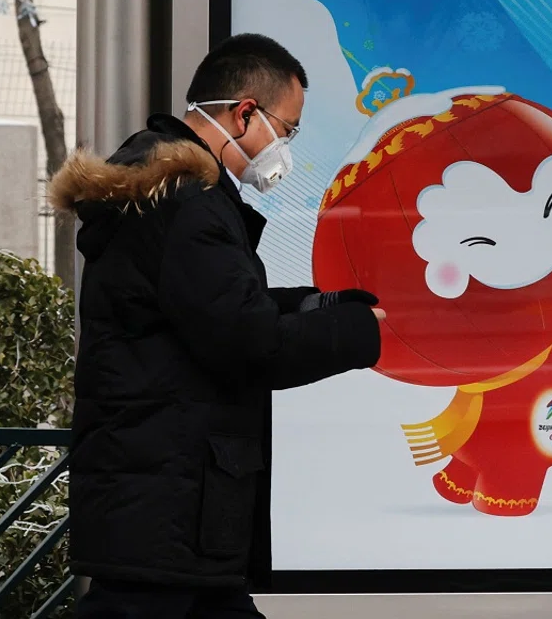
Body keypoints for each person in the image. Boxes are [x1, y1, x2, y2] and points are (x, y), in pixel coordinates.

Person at [49, 33, 384, 618]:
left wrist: (317, 306)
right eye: (287, 130)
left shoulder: (167, 192)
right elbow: (248, 342)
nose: (285, 147)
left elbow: (211, 308)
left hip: (171, 504)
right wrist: (357, 333)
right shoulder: (185, 201)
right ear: (245, 112)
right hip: (166, 506)